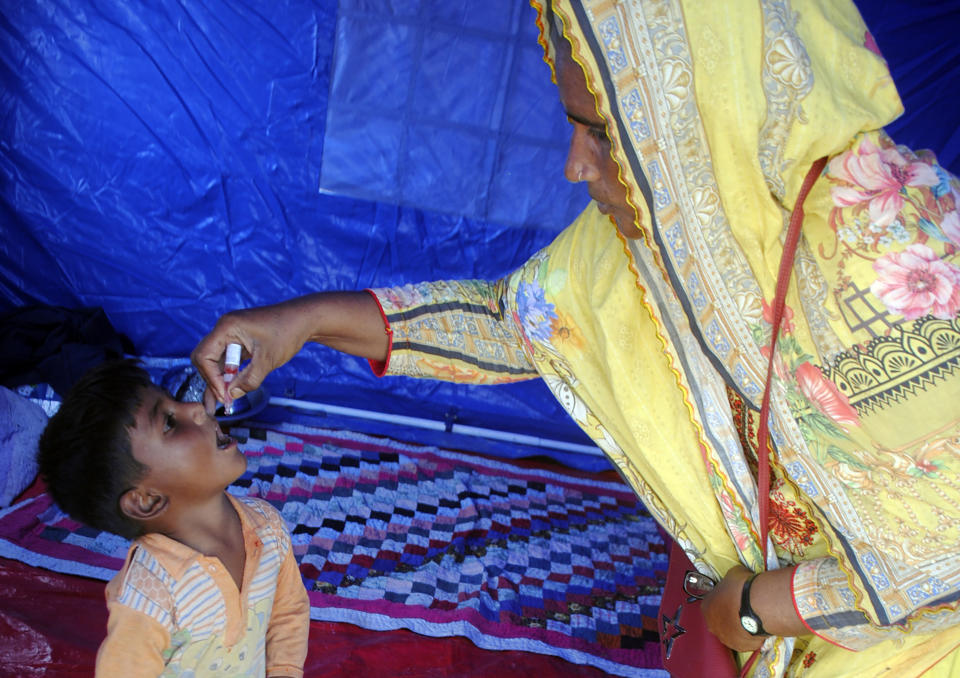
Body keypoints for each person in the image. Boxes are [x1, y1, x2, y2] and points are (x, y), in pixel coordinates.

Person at [192, 1, 960, 675]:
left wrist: (757, 609)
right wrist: (301, 323)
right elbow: (510, 322)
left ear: (692, 118)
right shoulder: (657, 242)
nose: (573, 165)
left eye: (602, 133)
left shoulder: (899, 244)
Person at [36, 359, 310, 678]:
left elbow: (287, 612)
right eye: (168, 423)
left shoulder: (268, 527)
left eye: (175, 402)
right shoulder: (149, 593)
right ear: (147, 500)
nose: (195, 408)